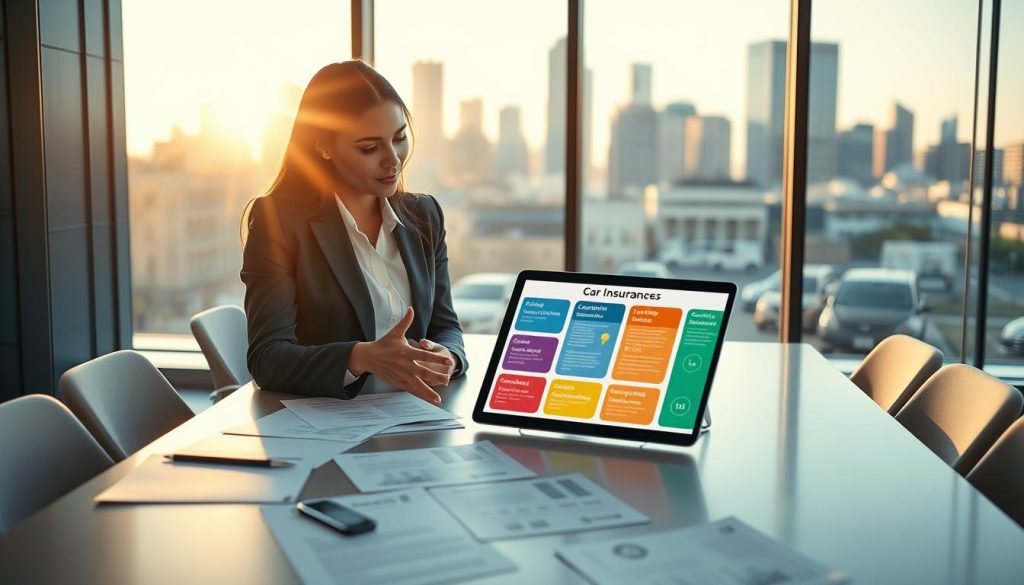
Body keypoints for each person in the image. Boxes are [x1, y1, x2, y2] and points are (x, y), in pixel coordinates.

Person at [241, 61, 466, 405]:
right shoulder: (278, 221)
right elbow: (267, 358)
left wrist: (448, 357)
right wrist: (361, 357)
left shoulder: (425, 215)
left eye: (399, 138)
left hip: (418, 414)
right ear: (324, 147)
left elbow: (445, 324)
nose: (393, 160)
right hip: (328, 422)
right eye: (369, 147)